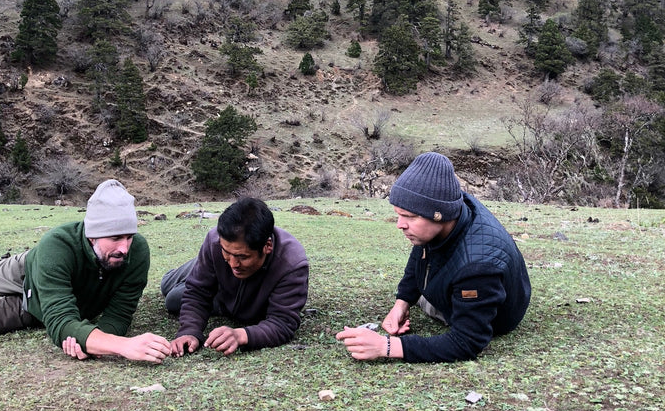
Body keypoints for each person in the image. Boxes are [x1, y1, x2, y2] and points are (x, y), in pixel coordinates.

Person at [0, 179, 170, 364]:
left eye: (129, 237)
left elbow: (118, 314)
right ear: (92, 235)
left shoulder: (138, 253)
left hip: (38, 306)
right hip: (18, 274)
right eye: (115, 238)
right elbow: (64, 323)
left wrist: (93, 340)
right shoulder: (57, 245)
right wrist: (122, 346)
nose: (124, 248)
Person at [336, 152, 531, 363]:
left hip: (493, 317)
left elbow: (467, 342)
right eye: (399, 214)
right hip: (457, 282)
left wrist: (386, 346)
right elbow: (421, 254)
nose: (400, 224)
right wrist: (402, 302)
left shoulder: (478, 266)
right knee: (421, 245)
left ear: (440, 214)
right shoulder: (451, 209)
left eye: (409, 217)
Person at [161, 197, 309, 357]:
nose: (233, 264)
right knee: (166, 285)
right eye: (227, 252)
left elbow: (282, 323)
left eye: (242, 257)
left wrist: (241, 335)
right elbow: (197, 291)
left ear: (267, 246)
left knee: (173, 300)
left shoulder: (292, 264)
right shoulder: (214, 242)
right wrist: (189, 331)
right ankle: (197, 266)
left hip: (226, 294)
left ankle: (216, 286)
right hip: (214, 265)